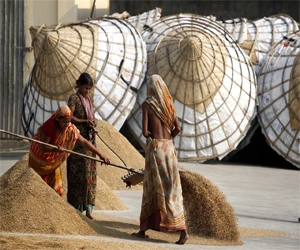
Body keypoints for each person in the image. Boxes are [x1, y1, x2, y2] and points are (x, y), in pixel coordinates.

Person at [132, 74, 189, 245]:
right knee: (172, 190)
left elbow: (144, 132)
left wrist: (154, 138)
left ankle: (143, 230)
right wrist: (168, 139)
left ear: (151, 88)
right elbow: (178, 128)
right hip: (169, 149)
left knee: (152, 188)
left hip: (156, 149)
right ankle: (183, 231)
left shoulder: (148, 105)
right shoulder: (168, 105)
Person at [29, 105, 110, 202]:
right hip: (39, 158)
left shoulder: (70, 128)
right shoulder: (49, 125)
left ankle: (53, 205)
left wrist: (101, 155)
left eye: (68, 121)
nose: (67, 124)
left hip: (52, 161)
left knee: (55, 186)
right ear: (58, 119)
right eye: (64, 122)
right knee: (38, 186)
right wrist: (57, 150)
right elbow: (44, 147)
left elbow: (84, 142)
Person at [67, 72, 99, 220]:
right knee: (79, 176)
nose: (87, 91)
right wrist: (83, 122)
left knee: (90, 176)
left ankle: (88, 209)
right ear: (79, 84)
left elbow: (91, 115)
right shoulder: (74, 99)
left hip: (90, 141)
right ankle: (76, 208)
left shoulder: (88, 100)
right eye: (85, 87)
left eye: (89, 88)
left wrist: (93, 122)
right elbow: (69, 117)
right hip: (78, 143)